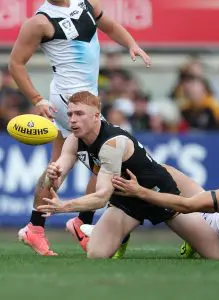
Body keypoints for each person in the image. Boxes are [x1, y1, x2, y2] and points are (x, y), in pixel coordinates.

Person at [8, 0, 151, 256]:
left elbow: (109, 25)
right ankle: (81, 222)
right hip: (70, 101)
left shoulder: (86, 3)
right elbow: (15, 63)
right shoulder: (40, 22)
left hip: (86, 98)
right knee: (107, 158)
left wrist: (131, 44)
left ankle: (36, 227)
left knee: (60, 163)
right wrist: (36, 99)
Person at [37, 91, 219, 260]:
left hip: (159, 195)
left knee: (217, 256)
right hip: (126, 200)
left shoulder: (112, 144)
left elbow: (101, 198)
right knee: (96, 254)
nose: (72, 120)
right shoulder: (73, 140)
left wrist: (64, 206)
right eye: (70, 114)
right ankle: (123, 236)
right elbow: (55, 179)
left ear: (96, 116)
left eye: (79, 114)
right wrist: (52, 175)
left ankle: (191, 240)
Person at [88, 136, 219, 258]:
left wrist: (140, 191)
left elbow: (186, 206)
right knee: (163, 172)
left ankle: (115, 227)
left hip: (205, 228)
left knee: (155, 177)